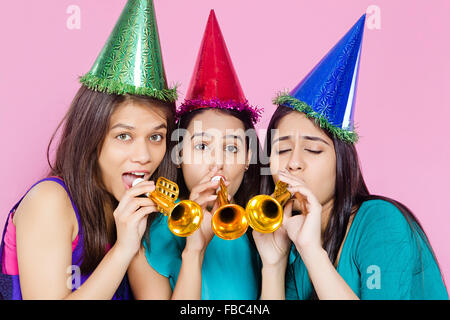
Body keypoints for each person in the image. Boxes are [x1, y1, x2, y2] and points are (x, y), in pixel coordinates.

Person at [255, 14, 448, 300]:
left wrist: (312, 251)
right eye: (281, 149)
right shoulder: (295, 235)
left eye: (313, 149)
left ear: (343, 163)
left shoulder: (381, 221)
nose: (293, 162)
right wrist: (273, 263)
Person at [0, 0, 178, 300]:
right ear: (91, 136)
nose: (145, 156)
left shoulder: (129, 212)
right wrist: (123, 250)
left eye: (156, 137)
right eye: (124, 136)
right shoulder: (50, 201)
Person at [128, 10, 263, 299]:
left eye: (232, 147)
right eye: (202, 146)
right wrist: (194, 250)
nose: (218, 163)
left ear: (249, 159)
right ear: (178, 154)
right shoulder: (148, 235)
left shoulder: (262, 225)